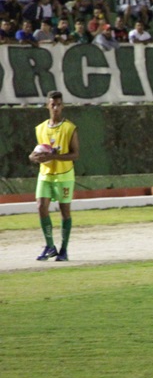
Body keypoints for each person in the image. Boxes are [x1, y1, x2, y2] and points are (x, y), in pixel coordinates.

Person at [28, 91, 81, 262]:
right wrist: (33, 157)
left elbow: (75, 154)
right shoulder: (40, 128)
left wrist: (54, 157)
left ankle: (64, 249)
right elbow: (38, 150)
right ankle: (50, 245)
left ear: (62, 106)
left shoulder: (69, 128)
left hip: (64, 175)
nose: (56, 108)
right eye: (53, 105)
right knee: (40, 206)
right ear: (47, 106)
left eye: (59, 104)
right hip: (45, 174)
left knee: (65, 212)